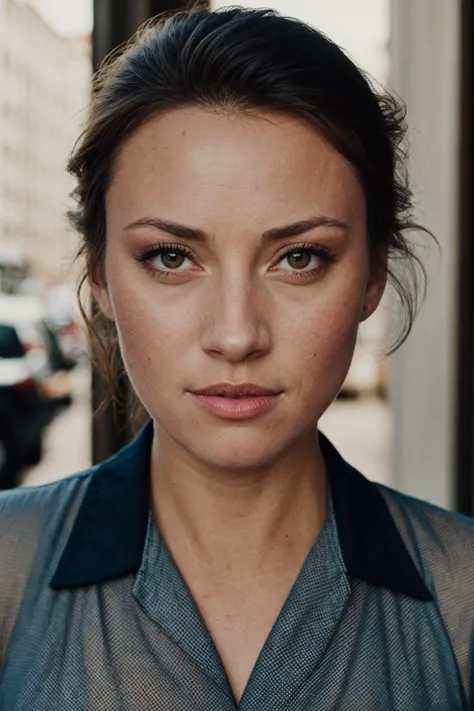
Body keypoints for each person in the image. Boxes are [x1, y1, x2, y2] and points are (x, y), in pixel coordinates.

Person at [0, 7, 473, 710]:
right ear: (99, 275)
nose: (236, 333)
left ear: (374, 274)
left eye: (299, 257)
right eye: (171, 257)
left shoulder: (463, 595)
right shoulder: (6, 572)